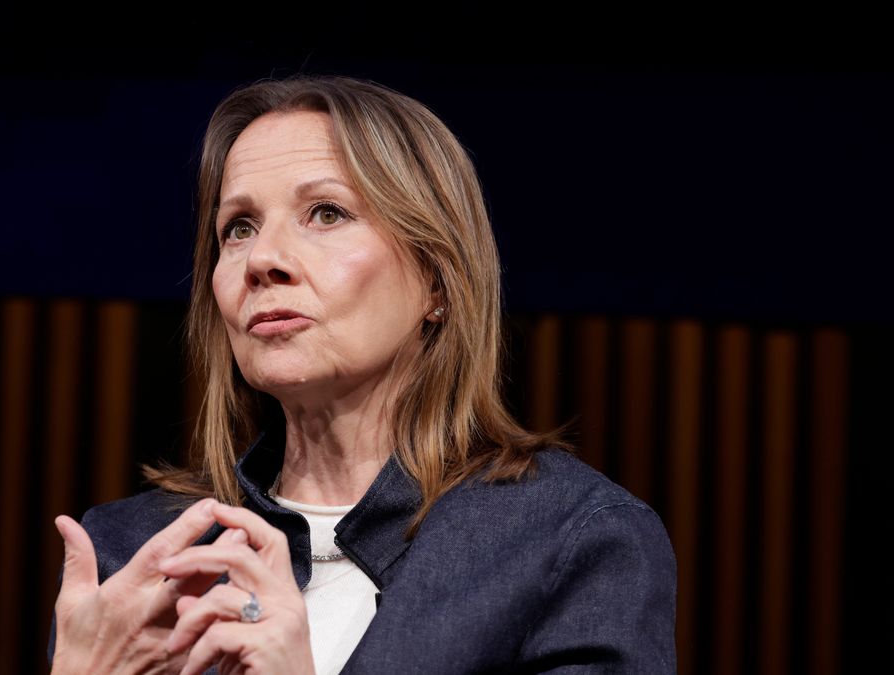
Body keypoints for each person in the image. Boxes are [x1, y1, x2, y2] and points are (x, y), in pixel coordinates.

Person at [49, 75, 676, 674]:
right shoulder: (133, 555)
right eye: (238, 228)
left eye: (325, 213)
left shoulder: (571, 544)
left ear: (437, 278)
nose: (262, 259)